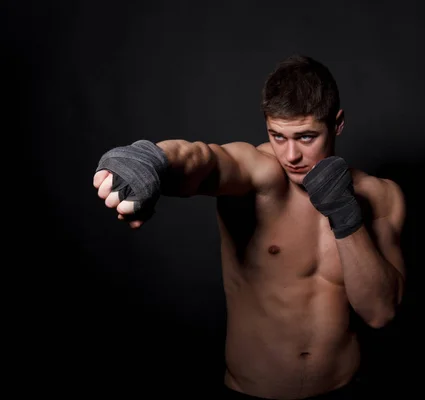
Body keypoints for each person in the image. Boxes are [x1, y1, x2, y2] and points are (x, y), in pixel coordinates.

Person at [93, 54, 406, 399]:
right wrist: (154, 159)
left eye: (305, 137)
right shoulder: (261, 176)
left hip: (343, 388)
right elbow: (205, 160)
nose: (290, 156)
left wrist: (345, 215)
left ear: (338, 124)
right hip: (252, 393)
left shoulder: (380, 196)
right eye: (277, 135)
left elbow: (380, 312)